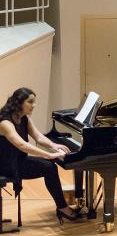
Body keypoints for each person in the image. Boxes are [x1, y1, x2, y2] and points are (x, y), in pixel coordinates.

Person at [0, 88, 84, 225]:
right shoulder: (5, 123)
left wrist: (53, 145)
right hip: (6, 165)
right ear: (19, 103)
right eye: (30, 102)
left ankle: (62, 207)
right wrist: (49, 155)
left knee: (49, 167)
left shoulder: (23, 118)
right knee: (49, 166)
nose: (34, 105)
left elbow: (38, 137)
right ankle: (62, 207)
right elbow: (22, 145)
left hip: (18, 160)